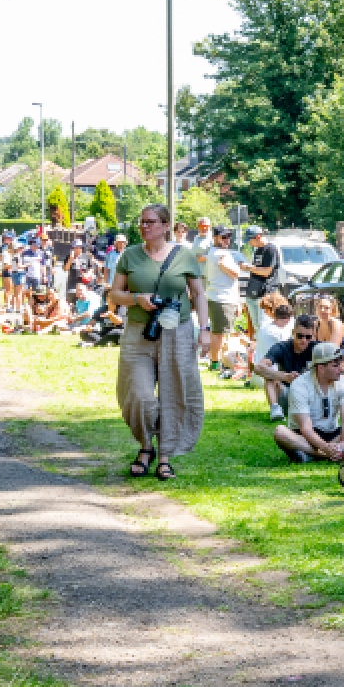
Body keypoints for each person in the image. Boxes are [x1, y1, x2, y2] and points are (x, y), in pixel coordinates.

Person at [107, 203, 211, 481]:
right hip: (139, 331)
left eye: (151, 222)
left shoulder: (185, 256)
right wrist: (136, 299)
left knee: (174, 394)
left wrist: (205, 330)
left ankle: (163, 455)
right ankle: (145, 445)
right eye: (142, 222)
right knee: (138, 396)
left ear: (166, 226)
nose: (145, 226)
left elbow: (199, 294)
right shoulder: (130, 255)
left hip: (177, 331)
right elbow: (114, 294)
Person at [271, 342, 344, 465]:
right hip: (304, 436)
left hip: (332, 434)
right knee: (280, 432)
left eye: (341, 364)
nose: (341, 369)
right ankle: (327, 455)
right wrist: (325, 448)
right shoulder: (300, 385)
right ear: (321, 368)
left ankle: (312, 455)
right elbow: (306, 428)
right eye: (335, 366)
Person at [254, 312, 319, 421]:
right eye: (300, 336)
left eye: (308, 337)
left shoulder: (317, 349)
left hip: (309, 396)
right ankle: (275, 409)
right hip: (286, 392)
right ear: (293, 332)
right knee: (269, 375)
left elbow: (336, 360)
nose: (304, 340)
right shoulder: (282, 347)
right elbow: (258, 367)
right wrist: (285, 376)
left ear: (313, 336)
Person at [202, 226, 244, 370]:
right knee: (219, 333)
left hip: (223, 297)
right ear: (215, 238)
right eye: (223, 237)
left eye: (228, 236)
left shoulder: (219, 253)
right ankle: (215, 363)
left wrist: (237, 301)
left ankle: (220, 361)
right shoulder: (220, 254)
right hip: (221, 298)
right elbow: (236, 273)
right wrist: (237, 268)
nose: (227, 240)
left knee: (222, 332)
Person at [243, 227, 281, 333]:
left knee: (265, 325)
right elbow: (256, 270)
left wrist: (248, 267)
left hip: (266, 292)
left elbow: (267, 272)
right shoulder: (257, 250)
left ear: (258, 237)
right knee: (256, 326)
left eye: (250, 240)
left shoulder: (270, 249)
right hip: (254, 291)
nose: (249, 243)